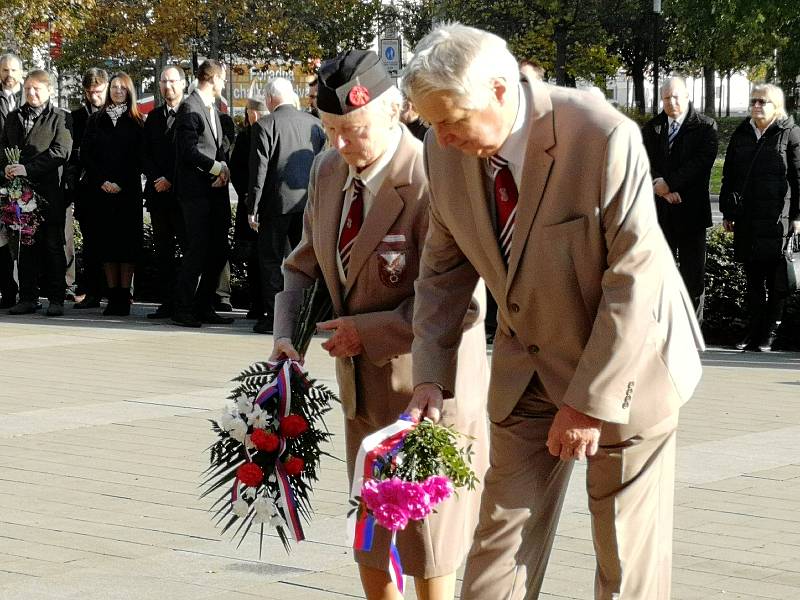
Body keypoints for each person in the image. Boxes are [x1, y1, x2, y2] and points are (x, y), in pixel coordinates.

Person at [402, 24, 704, 600]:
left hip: (628, 367)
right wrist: (430, 378)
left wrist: (588, 404)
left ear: (498, 89)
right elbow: (441, 276)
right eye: (429, 124)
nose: (440, 139)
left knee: (623, 557)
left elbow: (633, 280)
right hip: (528, 368)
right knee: (498, 546)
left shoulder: (600, 135)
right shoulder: (443, 159)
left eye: (452, 121)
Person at [270, 49, 488, 600]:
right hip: (363, 395)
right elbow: (305, 264)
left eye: (354, 131)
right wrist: (287, 339)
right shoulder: (327, 170)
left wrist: (364, 333)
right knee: (369, 534)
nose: (341, 145)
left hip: (426, 395)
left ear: (396, 112)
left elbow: (458, 301)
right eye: (330, 130)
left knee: (425, 542)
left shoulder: (431, 178)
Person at [720, 83, 800, 352]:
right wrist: (728, 211)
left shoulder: (791, 134)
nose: (756, 105)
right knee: (752, 279)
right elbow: (728, 175)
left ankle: (770, 332)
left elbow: (799, 179)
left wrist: (798, 218)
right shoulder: (742, 133)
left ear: (776, 106)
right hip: (748, 219)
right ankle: (753, 329)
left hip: (779, 218)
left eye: (762, 102)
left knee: (776, 280)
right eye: (753, 101)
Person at [247, 77, 325, 334]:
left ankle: (276, 317)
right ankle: (306, 315)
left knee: (271, 261)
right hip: (307, 204)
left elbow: (258, 171)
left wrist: (252, 207)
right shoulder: (315, 124)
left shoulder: (264, 126)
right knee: (304, 261)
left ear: (269, 100)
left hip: (275, 205)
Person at [642, 76, 718, 322]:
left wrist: (670, 184)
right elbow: (644, 162)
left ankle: (692, 328)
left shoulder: (706, 127)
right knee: (658, 272)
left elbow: (701, 163)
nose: (671, 101)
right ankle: (661, 324)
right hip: (660, 212)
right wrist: (659, 186)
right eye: (666, 97)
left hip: (691, 212)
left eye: (675, 96)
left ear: (686, 96)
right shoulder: (652, 128)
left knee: (692, 275)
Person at [2, 69, 72, 316]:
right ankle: (28, 296)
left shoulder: (60, 118)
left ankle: (56, 298)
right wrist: (8, 169)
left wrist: (27, 169)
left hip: (49, 194)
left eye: (37, 88)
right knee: (25, 246)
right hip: (19, 195)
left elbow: (61, 152)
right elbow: (4, 147)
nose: (31, 93)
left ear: (49, 91)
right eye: (28, 88)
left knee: (53, 246)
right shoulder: (14, 117)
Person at [172, 59, 233, 328]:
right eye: (223, 79)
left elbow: (215, 148)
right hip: (195, 193)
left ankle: (204, 304)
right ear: (214, 78)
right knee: (197, 251)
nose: (224, 84)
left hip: (214, 193)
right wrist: (216, 168)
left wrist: (222, 170)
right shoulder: (189, 107)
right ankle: (183, 308)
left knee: (219, 251)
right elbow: (187, 151)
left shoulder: (211, 108)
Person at [81, 72, 144, 316]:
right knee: (107, 245)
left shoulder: (138, 121)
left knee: (126, 245)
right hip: (102, 192)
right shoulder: (96, 120)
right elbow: (87, 154)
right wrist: (102, 180)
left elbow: (140, 158)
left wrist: (122, 183)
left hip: (127, 193)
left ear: (129, 91)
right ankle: (112, 295)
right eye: (115, 87)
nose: (118, 91)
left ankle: (123, 295)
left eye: (122, 88)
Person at [143, 65, 186, 319]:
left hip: (182, 195)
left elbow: (189, 152)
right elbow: (144, 153)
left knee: (188, 249)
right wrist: (157, 177)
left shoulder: (191, 113)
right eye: (163, 82)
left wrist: (171, 178)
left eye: (172, 82)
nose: (167, 86)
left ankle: (186, 301)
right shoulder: (154, 117)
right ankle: (167, 301)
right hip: (158, 196)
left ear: (182, 83)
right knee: (163, 251)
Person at [69, 67, 109, 309]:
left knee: (116, 241)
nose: (94, 96)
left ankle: (121, 291)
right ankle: (92, 291)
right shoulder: (76, 117)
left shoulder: (117, 113)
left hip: (114, 187)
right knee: (92, 243)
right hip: (88, 188)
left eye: (98, 91)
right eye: (90, 92)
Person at [229, 97, 268, 320]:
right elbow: (237, 168)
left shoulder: (266, 131)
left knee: (266, 258)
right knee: (252, 259)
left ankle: (264, 303)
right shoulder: (245, 137)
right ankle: (256, 302)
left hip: (262, 204)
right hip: (249, 204)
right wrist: (246, 192)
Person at [0, 53, 24, 309]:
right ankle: (8, 289)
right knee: (1, 239)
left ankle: (28, 292)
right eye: (4, 70)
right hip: (1, 177)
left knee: (24, 237)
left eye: (13, 70)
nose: (9, 75)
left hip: (27, 179)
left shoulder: (29, 97)